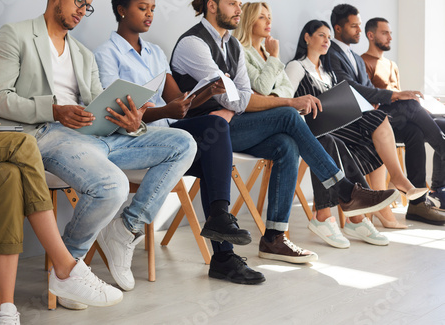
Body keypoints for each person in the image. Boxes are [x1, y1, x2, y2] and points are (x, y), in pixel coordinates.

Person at [0, 0, 197, 309]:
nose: (83, 9)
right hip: (45, 135)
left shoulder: (82, 53)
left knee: (183, 143)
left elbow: (100, 104)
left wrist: (130, 121)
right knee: (113, 185)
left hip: (96, 136)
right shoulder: (14, 34)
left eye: (88, 5)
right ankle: (70, 269)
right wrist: (53, 110)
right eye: (78, 2)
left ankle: (125, 230)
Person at [170, 0, 399, 265]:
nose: (238, 9)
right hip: (204, 131)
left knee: (286, 144)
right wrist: (249, 102)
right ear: (211, 5)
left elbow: (240, 98)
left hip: (232, 124)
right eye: (232, 3)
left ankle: (274, 238)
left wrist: (238, 103)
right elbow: (231, 96)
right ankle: (345, 190)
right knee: (290, 115)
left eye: (240, 4)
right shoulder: (193, 43)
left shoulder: (231, 45)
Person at [0, 1, 123, 323]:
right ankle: (65, 267)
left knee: (9, 177)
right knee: (24, 142)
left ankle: (4, 309)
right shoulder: (14, 34)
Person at [94, 0, 264, 285]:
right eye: (142, 8)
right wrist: (165, 111)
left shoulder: (155, 53)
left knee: (216, 126)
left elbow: (178, 102)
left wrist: (208, 91)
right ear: (122, 9)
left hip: (170, 132)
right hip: (137, 140)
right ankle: (222, 253)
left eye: (152, 8)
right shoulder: (106, 54)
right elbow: (115, 111)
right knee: (213, 154)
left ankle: (220, 224)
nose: (150, 14)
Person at [233, 3, 418, 249]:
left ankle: (341, 215)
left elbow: (283, 91)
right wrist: (276, 64)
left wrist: (277, 87)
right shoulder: (244, 51)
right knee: (326, 130)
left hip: (296, 123)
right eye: (262, 17)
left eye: (270, 16)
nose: (269, 22)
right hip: (275, 122)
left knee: (335, 139)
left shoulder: (270, 56)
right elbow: (269, 92)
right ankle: (348, 197)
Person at [284, 19, 430, 233]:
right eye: (321, 35)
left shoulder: (328, 72)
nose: (327, 40)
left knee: (375, 132)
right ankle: (393, 183)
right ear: (307, 37)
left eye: (328, 37)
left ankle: (372, 206)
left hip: (335, 124)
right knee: (378, 119)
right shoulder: (297, 66)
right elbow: (285, 102)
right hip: (312, 127)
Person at [327, 3, 445, 225]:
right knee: (409, 104)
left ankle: (417, 205)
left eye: (359, 26)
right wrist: (393, 95)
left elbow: (366, 90)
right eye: (354, 26)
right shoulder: (331, 53)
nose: (358, 31)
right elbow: (349, 87)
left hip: (374, 115)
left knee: (414, 132)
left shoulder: (353, 57)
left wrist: (391, 97)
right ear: (338, 28)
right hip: (355, 120)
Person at [361, 17, 445, 212]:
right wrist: (408, 103)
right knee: (410, 104)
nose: (390, 37)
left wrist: (421, 107)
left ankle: (427, 197)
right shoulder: (363, 62)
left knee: (434, 124)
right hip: (380, 122)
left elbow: (400, 99)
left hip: (401, 120)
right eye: (385, 33)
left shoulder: (392, 64)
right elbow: (369, 100)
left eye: (390, 33)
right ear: (371, 35)